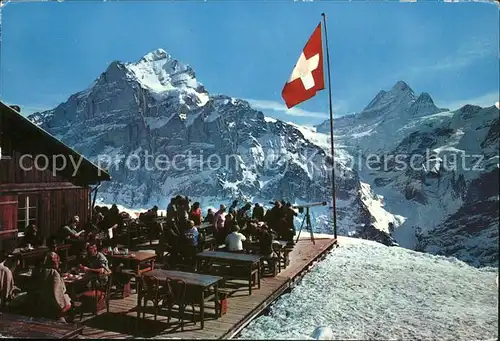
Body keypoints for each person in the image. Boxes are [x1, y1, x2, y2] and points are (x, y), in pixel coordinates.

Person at [29, 251, 72, 320]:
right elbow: (57, 292)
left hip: (41, 303)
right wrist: (62, 306)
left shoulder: (40, 271)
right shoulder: (53, 273)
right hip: (52, 304)